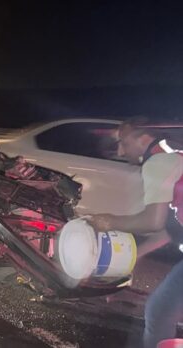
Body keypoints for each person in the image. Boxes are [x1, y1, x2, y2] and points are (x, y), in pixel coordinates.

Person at [87, 118, 183, 348]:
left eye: (123, 142)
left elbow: (152, 221)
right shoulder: (172, 154)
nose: (120, 150)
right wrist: (136, 255)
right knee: (161, 311)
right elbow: (171, 229)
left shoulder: (158, 162)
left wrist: (108, 222)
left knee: (160, 312)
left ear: (143, 139)